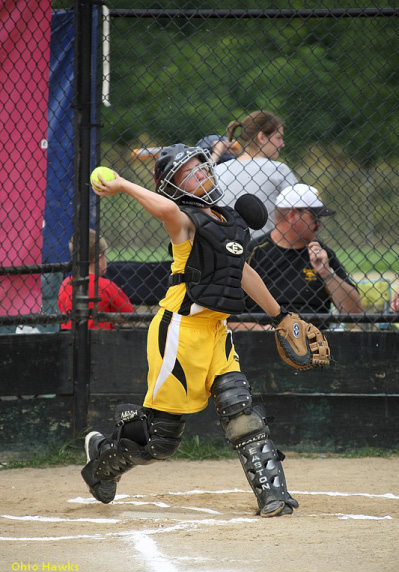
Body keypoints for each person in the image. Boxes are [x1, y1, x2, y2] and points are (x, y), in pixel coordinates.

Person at [80, 145, 328, 518]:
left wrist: (280, 316)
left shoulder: (228, 220)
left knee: (241, 409)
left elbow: (244, 272)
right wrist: (122, 184)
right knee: (161, 440)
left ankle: (273, 495)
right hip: (178, 332)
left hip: (216, 332)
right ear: (173, 186)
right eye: (188, 172)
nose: (201, 173)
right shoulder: (182, 220)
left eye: (202, 167)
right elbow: (165, 209)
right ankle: (102, 458)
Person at [245, 184, 362, 322]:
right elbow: (229, 315)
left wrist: (328, 274)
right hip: (261, 337)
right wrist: (261, 331)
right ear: (292, 215)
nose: (319, 224)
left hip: (314, 338)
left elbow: (354, 312)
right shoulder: (254, 251)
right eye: (316, 218)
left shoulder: (322, 254)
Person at [215, 110, 298, 235]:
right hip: (266, 249)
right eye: (278, 137)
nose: (282, 144)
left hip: (226, 249)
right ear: (262, 137)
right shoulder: (279, 170)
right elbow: (298, 212)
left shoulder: (219, 170)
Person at [58, 229, 134, 329]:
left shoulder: (66, 283)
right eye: (105, 256)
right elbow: (129, 316)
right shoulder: (106, 285)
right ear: (99, 259)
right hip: (102, 341)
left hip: (69, 340)